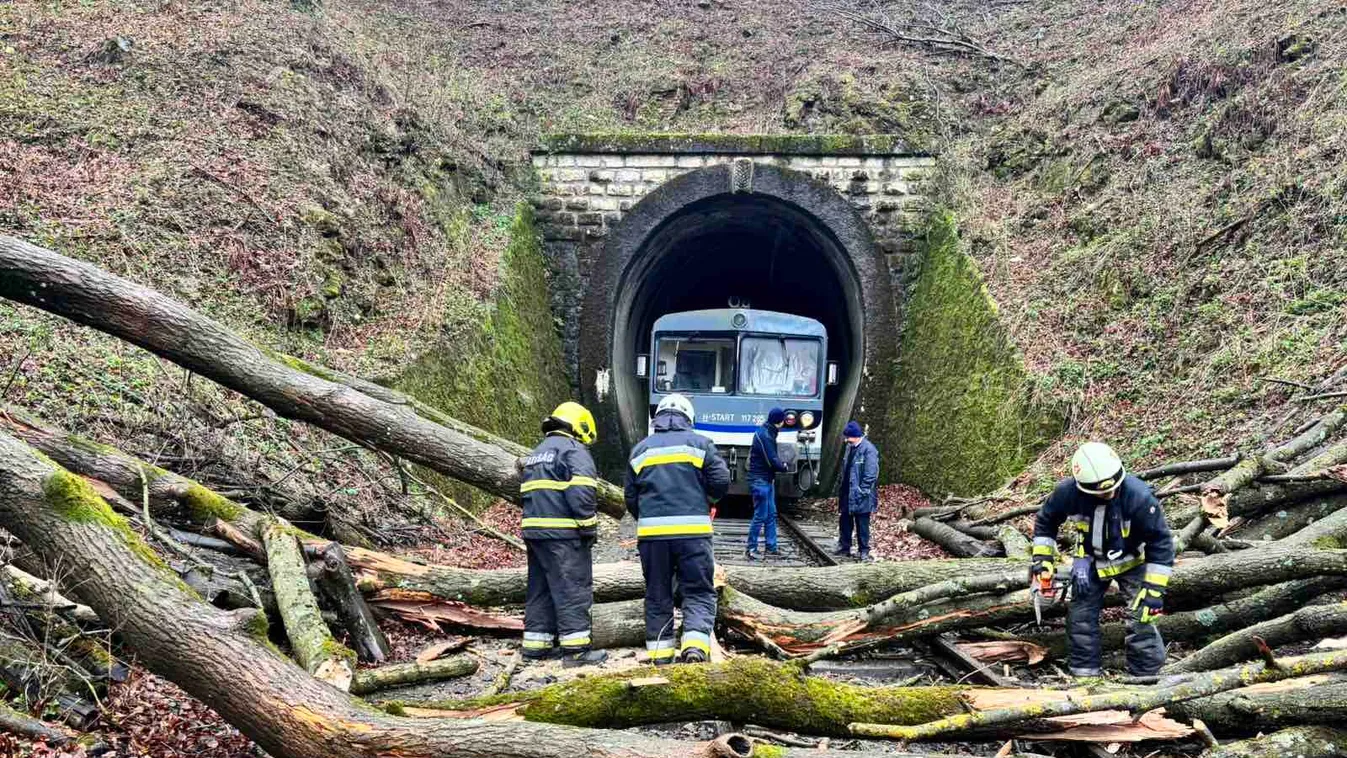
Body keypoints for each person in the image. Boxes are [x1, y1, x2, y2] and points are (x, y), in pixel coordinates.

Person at [1030, 442, 1174, 677]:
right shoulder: (1067, 494)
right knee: (1080, 617)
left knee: (1142, 617)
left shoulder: (1138, 497)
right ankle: (1084, 675)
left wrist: (1154, 590)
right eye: (1101, 492)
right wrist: (1043, 560)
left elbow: (1161, 543)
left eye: (1111, 489)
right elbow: (1046, 522)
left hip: (1132, 561)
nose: (1108, 494)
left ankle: (1147, 677)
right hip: (1090, 562)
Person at [625, 393, 731, 665]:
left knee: (657, 593)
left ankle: (660, 657)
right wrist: (706, 500)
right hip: (693, 534)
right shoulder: (701, 444)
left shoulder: (641, 450)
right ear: (688, 418)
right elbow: (720, 481)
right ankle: (694, 648)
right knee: (697, 590)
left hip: (652, 538)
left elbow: (630, 498)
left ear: (657, 418)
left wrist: (648, 517)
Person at [517, 401, 607, 668]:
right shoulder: (573, 451)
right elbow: (581, 494)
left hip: (535, 531)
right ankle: (576, 651)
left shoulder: (537, 452)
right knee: (572, 588)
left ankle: (536, 646)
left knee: (540, 588)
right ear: (579, 426)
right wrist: (589, 526)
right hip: (563, 533)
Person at [745, 407, 789, 560]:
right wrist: (783, 467)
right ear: (780, 421)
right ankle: (751, 548)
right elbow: (772, 459)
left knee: (771, 514)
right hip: (760, 481)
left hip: (766, 480)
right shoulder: (764, 435)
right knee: (760, 515)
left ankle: (771, 546)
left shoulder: (768, 432)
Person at [835, 421, 879, 561]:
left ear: (855, 436)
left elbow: (871, 473)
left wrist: (862, 490)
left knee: (862, 523)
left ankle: (864, 550)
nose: (846, 440)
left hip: (861, 494)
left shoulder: (869, 450)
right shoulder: (850, 447)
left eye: (848, 437)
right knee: (845, 520)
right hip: (848, 492)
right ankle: (844, 547)